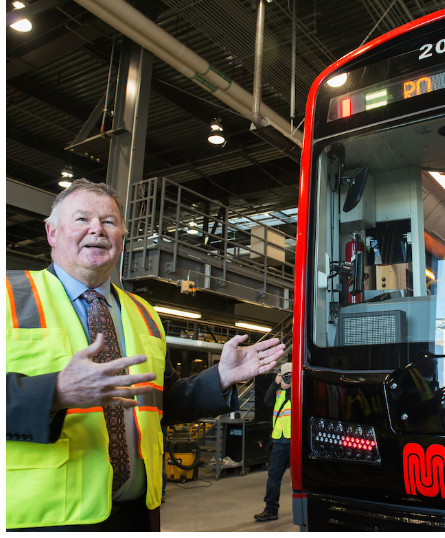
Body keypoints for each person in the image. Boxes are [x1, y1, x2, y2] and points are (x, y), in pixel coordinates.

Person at [6, 179, 286, 531]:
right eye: (82, 219)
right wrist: (54, 393)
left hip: (137, 514)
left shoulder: (144, 313)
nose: (97, 229)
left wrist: (220, 378)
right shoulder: (8, 297)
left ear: (121, 237)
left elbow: (162, 402)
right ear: (52, 232)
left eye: (109, 222)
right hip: (40, 521)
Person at [255, 362, 294, 522]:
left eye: (291, 375)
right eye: (285, 375)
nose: (288, 378)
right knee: (273, 476)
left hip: (296, 440)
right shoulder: (278, 392)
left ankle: (309, 508)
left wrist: (292, 384)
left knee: (304, 477)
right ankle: (271, 510)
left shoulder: (298, 389)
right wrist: (275, 383)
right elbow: (266, 400)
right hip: (279, 441)